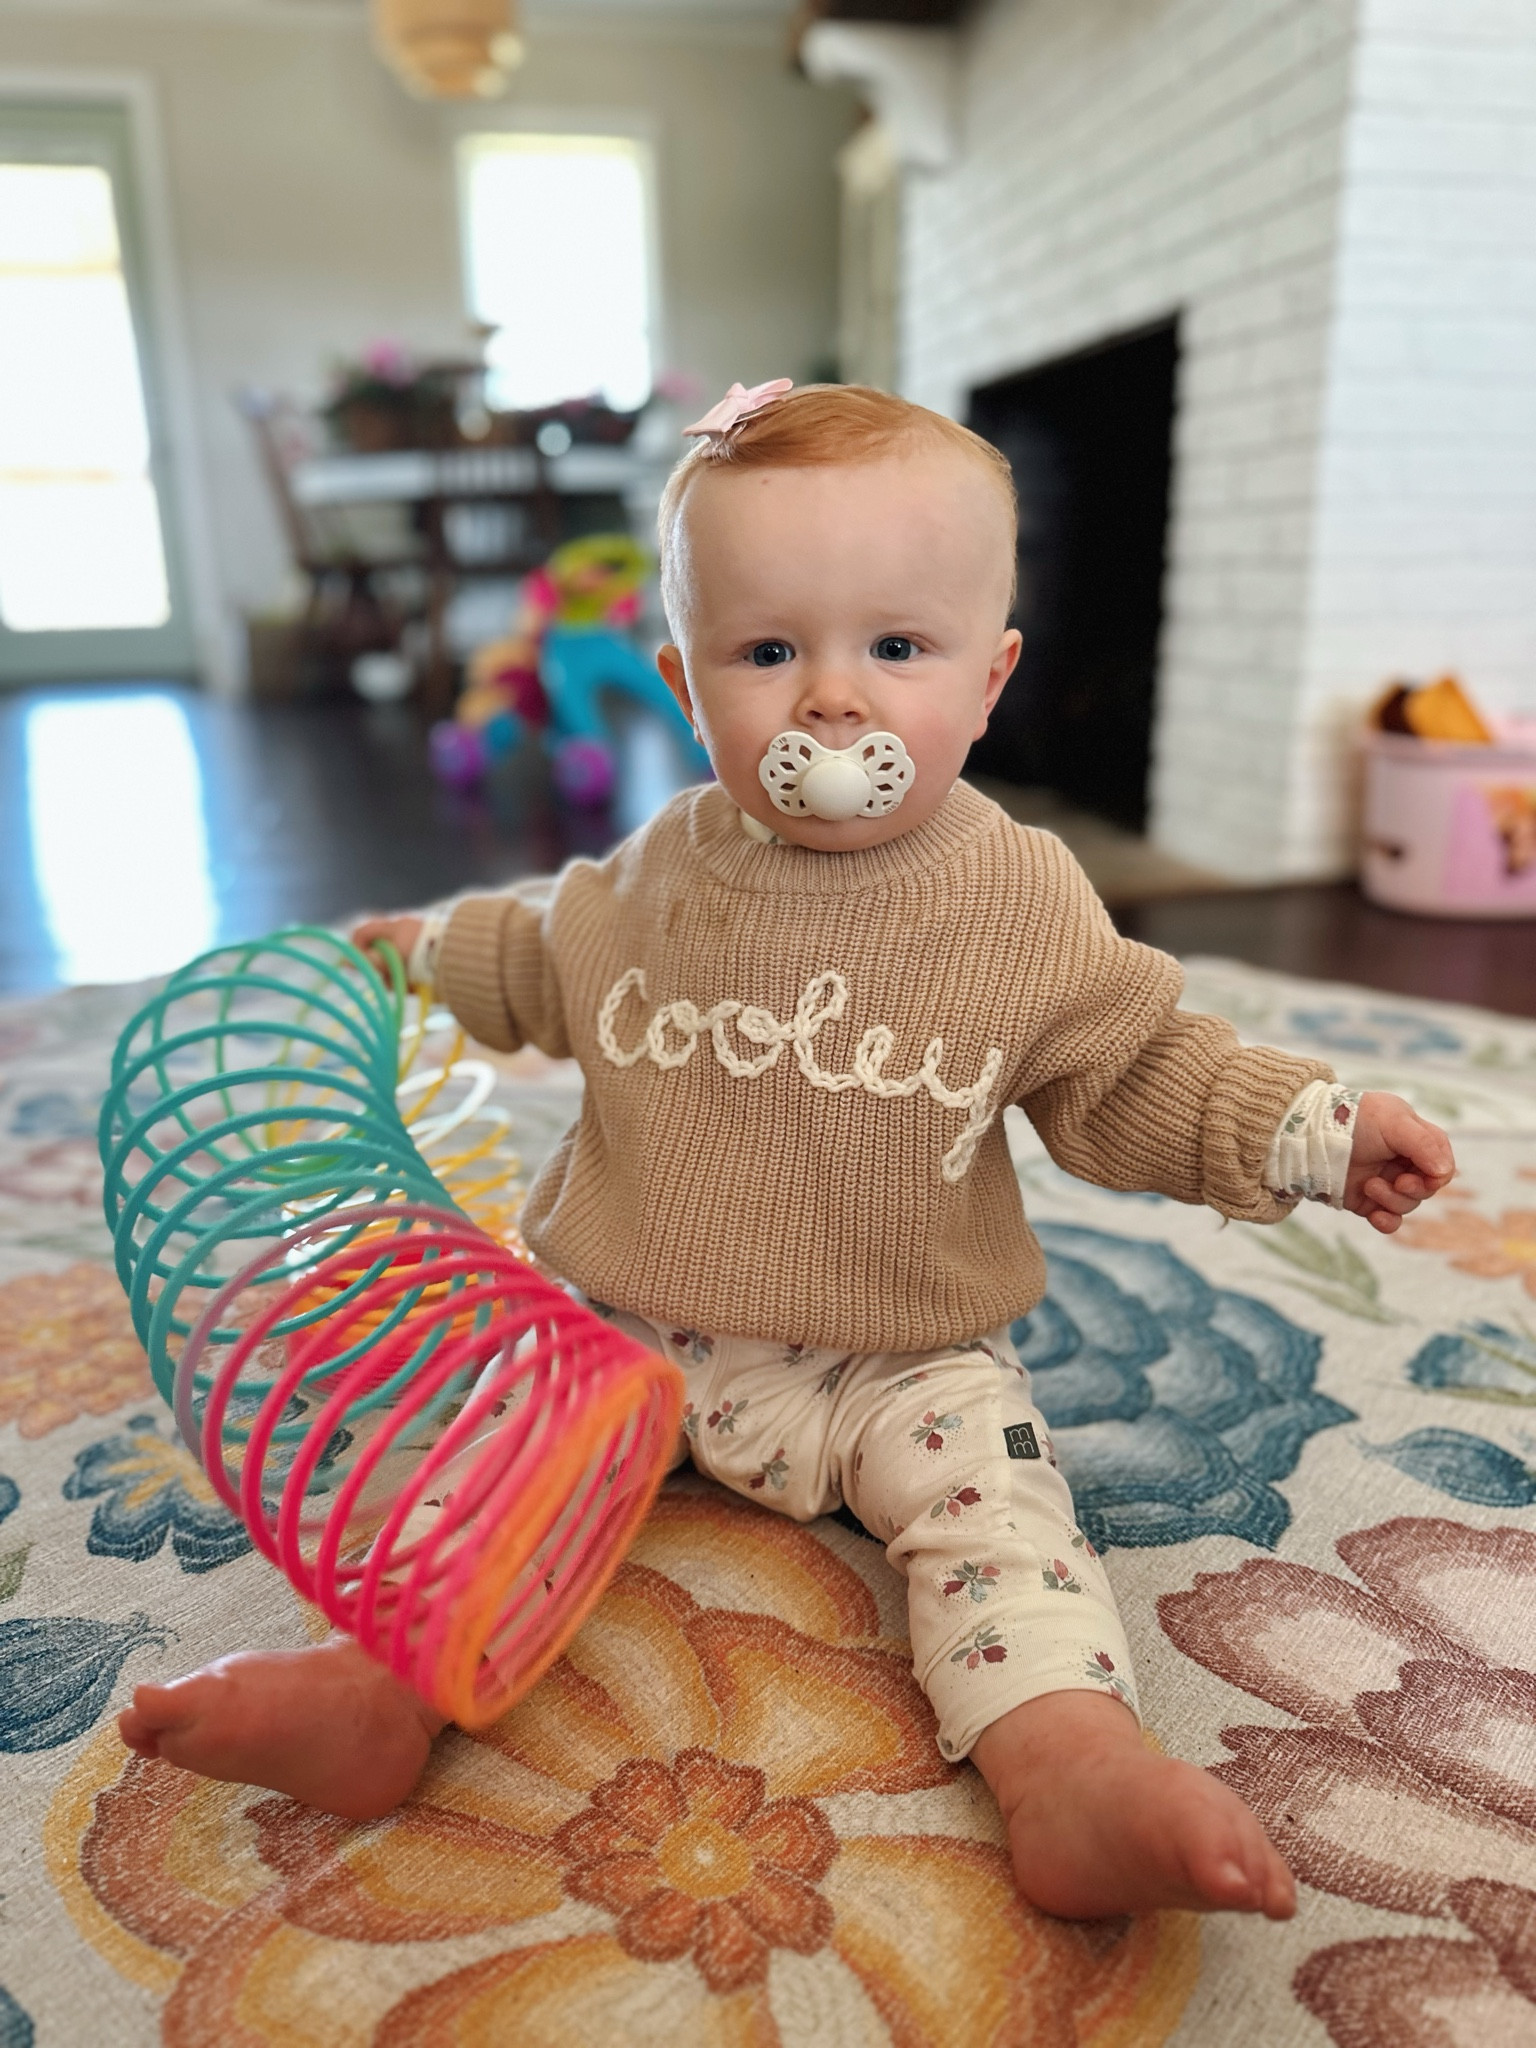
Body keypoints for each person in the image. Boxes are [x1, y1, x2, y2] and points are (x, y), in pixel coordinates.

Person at [120, 381, 1455, 1923]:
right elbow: (545, 955)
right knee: (481, 1458)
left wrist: (1303, 1128)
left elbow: (1134, 1069)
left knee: (1002, 1526)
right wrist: (416, 952)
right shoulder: (663, 871)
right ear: (688, 683)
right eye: (769, 653)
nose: (833, 701)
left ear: (991, 675)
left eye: (896, 648)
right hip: (622, 1326)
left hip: (899, 1351)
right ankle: (380, 1690)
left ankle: (1069, 1766)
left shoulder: (1018, 901)